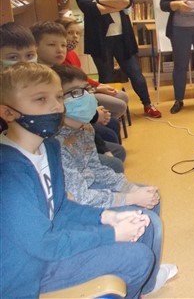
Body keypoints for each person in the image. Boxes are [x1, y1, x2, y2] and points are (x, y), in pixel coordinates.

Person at [0, 62, 154, 298]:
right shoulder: (9, 172)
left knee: (139, 227)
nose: (55, 106)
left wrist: (106, 217)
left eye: (58, 97)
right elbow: (42, 244)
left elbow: (60, 207)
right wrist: (110, 233)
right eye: (40, 99)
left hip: (48, 246)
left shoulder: (49, 147)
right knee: (137, 258)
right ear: (8, 113)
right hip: (28, 272)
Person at [52, 64, 177, 295]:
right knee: (149, 221)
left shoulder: (84, 128)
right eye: (75, 93)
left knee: (151, 197)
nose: (85, 97)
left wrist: (129, 187)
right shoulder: (55, 143)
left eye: (86, 90)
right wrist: (130, 198)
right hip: (78, 202)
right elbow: (80, 197)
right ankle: (140, 281)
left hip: (90, 186)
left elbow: (97, 169)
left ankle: (146, 278)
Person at [31, 20, 127, 173]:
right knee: (112, 146)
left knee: (115, 145)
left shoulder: (61, 68)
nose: (59, 50)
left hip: (79, 126)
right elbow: (65, 114)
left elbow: (81, 86)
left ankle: (106, 169)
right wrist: (94, 115)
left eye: (63, 45)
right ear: (35, 47)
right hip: (66, 135)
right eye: (51, 45)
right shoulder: (41, 79)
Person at [75, 0, 161, 118]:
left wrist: (99, 1)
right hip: (100, 41)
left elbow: (128, 1)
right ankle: (110, 110)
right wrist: (116, 4)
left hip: (123, 38)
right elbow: (88, 7)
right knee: (106, 76)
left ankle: (147, 104)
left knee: (136, 73)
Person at [57, 16, 130, 120]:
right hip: (79, 95)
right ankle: (103, 122)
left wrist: (99, 85)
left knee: (123, 96)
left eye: (77, 33)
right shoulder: (60, 59)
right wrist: (95, 89)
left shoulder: (72, 54)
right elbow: (73, 87)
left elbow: (83, 78)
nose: (75, 37)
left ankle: (108, 121)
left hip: (86, 89)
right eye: (70, 33)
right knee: (120, 106)